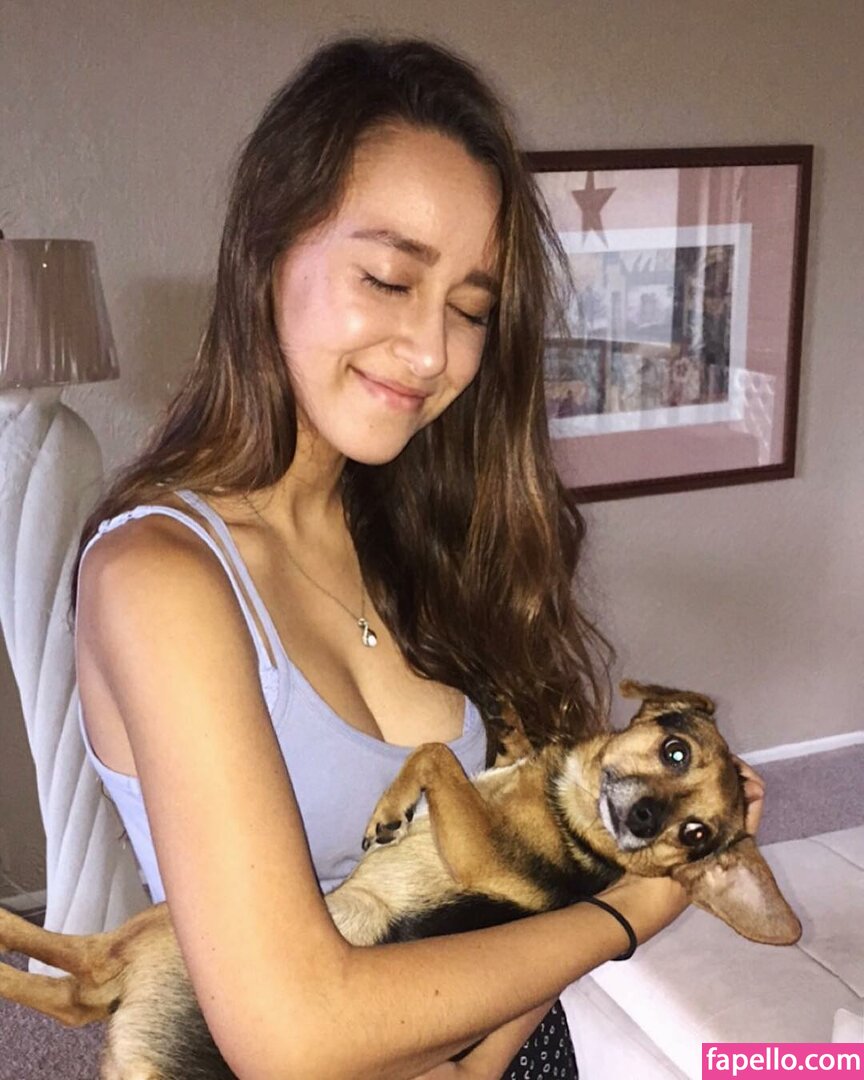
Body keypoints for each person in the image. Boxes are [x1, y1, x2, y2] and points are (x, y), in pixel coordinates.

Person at [72, 36, 764, 1080]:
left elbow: (522, 868)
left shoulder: (419, 526)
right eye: (390, 278)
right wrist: (632, 912)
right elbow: (295, 1034)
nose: (435, 351)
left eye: (471, 309)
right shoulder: (158, 580)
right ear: (268, 253)